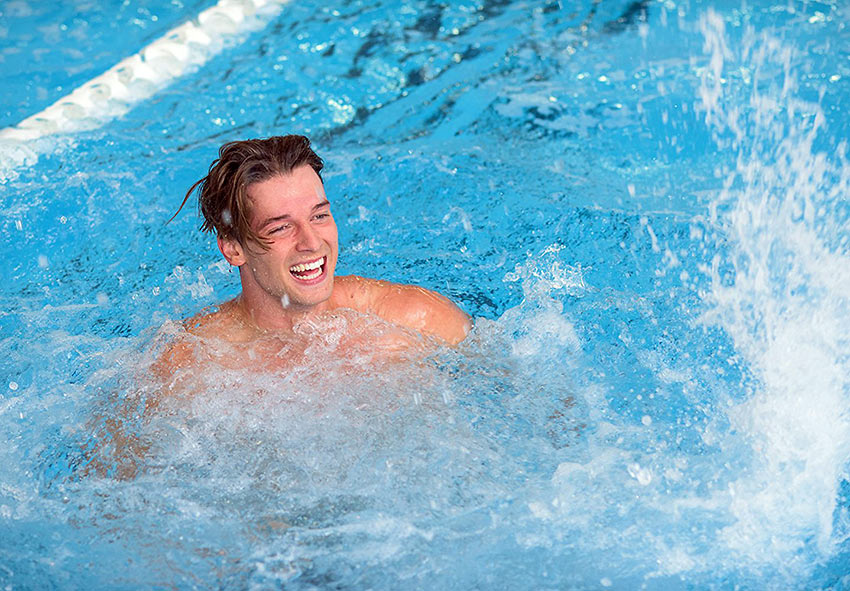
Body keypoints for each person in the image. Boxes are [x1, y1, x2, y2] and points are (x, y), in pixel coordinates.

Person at [162, 134, 470, 373]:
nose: (311, 242)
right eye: (281, 228)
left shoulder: (414, 320)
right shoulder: (193, 364)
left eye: (319, 216)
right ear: (233, 248)